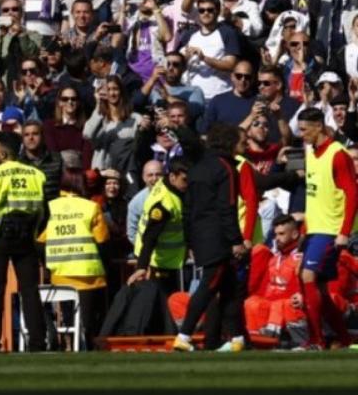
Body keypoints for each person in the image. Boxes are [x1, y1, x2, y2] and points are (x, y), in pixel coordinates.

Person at [173, 123, 248, 353]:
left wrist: (190, 241)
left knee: (230, 288)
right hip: (218, 238)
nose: (244, 143)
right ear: (230, 142)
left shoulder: (196, 167)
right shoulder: (226, 169)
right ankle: (184, 335)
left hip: (200, 235)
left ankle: (237, 339)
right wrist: (235, 240)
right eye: (241, 140)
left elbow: (187, 209)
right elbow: (228, 207)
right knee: (209, 286)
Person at [0, 130, 46, 352]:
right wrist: (34, 232)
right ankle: (37, 342)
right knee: (30, 291)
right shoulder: (37, 174)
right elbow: (45, 211)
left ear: (4, 153)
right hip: (27, 237)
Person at [293, 107, 356, 349]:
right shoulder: (311, 153)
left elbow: (352, 194)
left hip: (331, 229)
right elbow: (315, 196)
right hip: (315, 229)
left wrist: (344, 232)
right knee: (316, 285)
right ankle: (342, 338)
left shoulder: (337, 154)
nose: (302, 134)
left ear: (318, 126)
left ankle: (316, 340)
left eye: (305, 129)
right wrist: (305, 230)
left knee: (307, 277)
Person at [41, 167, 109, 349]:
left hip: (60, 275)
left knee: (69, 317)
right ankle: (89, 346)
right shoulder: (91, 207)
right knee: (88, 319)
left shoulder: (51, 208)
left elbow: (41, 241)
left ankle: (71, 345)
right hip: (88, 275)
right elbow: (102, 240)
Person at [127, 159, 189, 303]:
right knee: (161, 303)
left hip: (166, 260)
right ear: (173, 177)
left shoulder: (165, 184)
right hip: (157, 261)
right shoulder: (164, 204)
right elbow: (150, 236)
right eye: (184, 180)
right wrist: (142, 266)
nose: (187, 184)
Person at [244, 215, 307, 346]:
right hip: (273, 305)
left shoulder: (302, 258)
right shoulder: (273, 258)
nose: (277, 238)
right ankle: (257, 341)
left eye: (281, 234)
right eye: (275, 234)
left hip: (293, 306)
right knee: (252, 302)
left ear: (295, 234)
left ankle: (294, 342)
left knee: (280, 305)